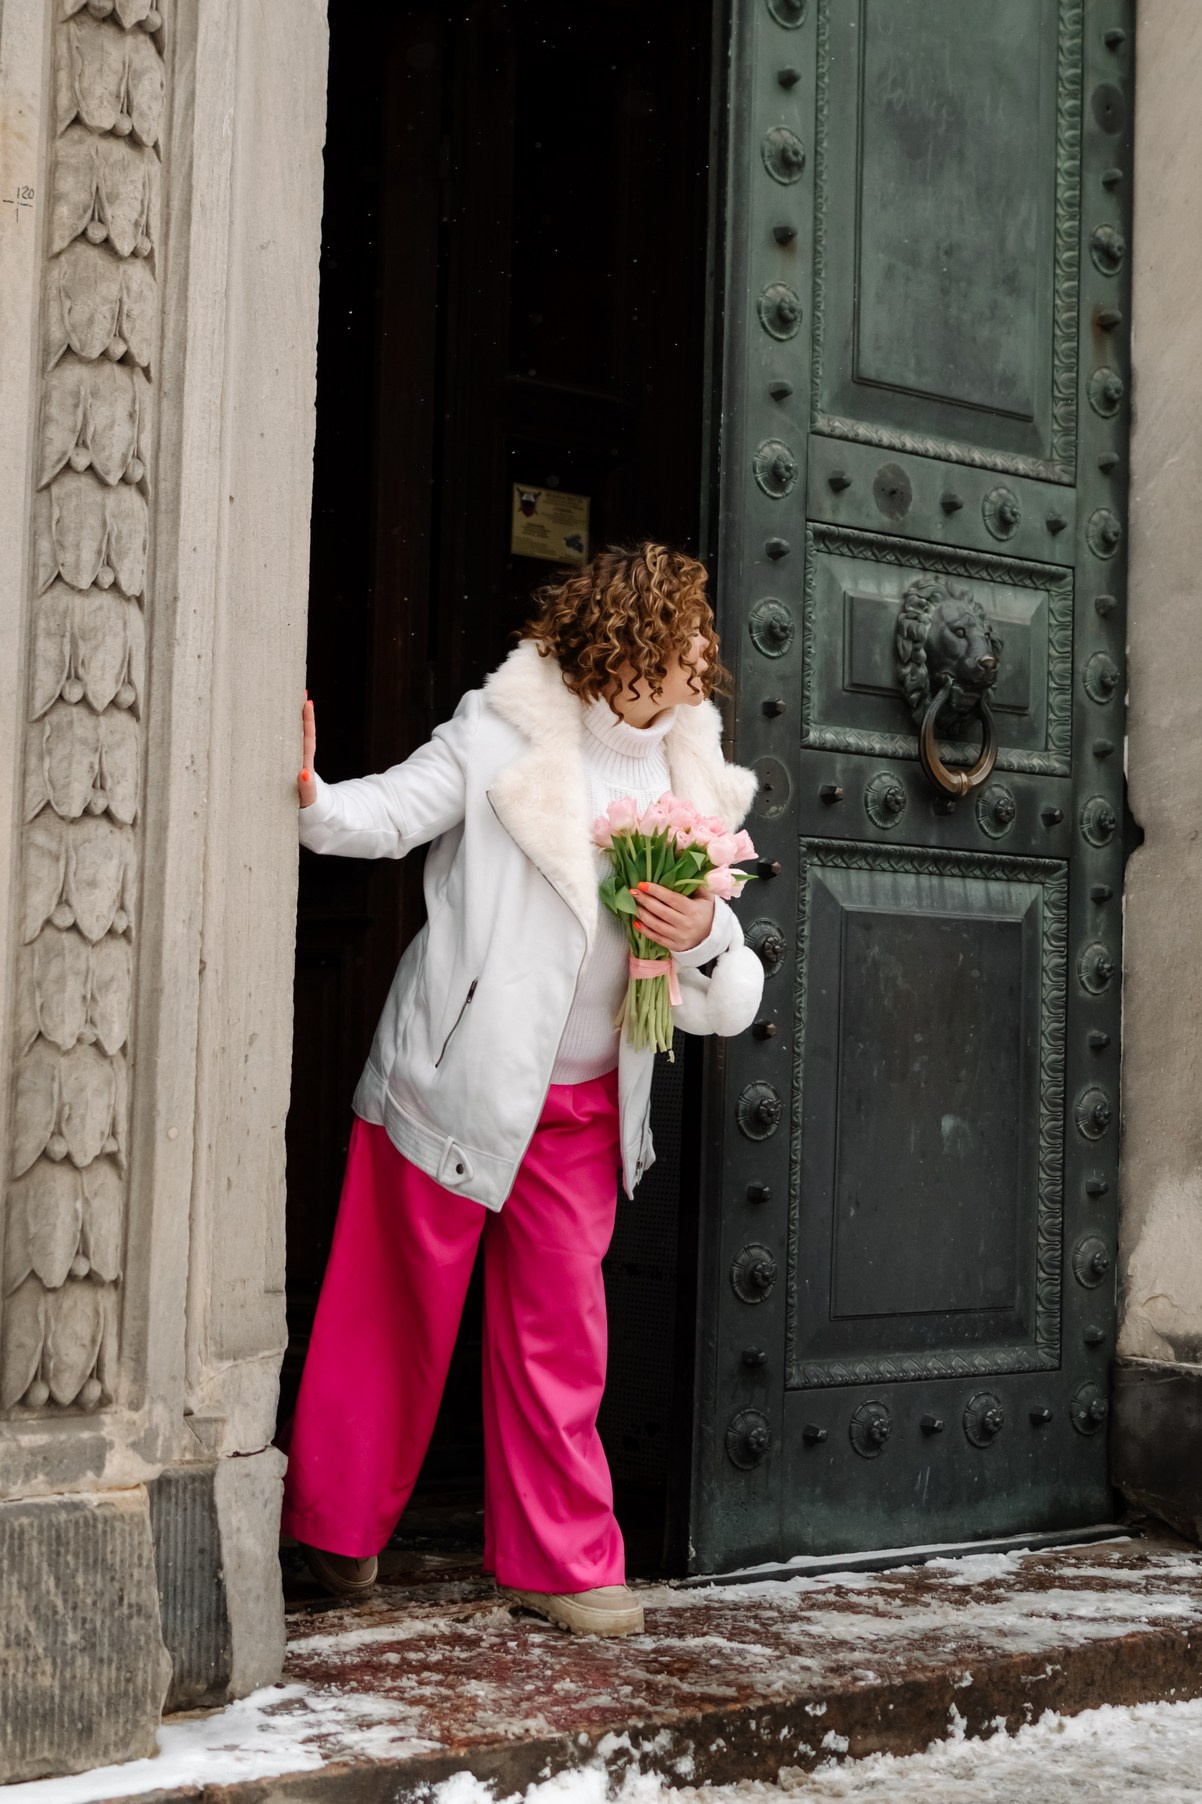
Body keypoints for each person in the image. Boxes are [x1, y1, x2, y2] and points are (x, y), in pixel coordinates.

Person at [281, 541, 764, 1636]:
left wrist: (702, 937)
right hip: (453, 1081)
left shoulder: (696, 761)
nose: (708, 654)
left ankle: (562, 1559)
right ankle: (336, 1528)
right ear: (632, 639)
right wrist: (312, 798)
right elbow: (394, 812)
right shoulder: (500, 729)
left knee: (561, 1331)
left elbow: (721, 954)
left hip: (588, 1104)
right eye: (689, 629)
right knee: (391, 1313)